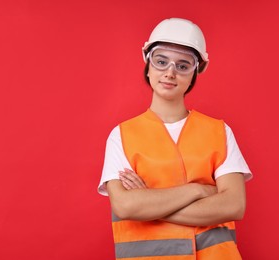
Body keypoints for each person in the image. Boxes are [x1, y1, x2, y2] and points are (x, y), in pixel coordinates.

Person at [98, 17, 253, 260]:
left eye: (183, 66)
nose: (170, 73)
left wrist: (148, 204)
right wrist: (199, 190)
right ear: (147, 63)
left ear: (197, 71)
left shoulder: (219, 131)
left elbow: (233, 206)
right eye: (161, 62)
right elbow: (125, 206)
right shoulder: (121, 136)